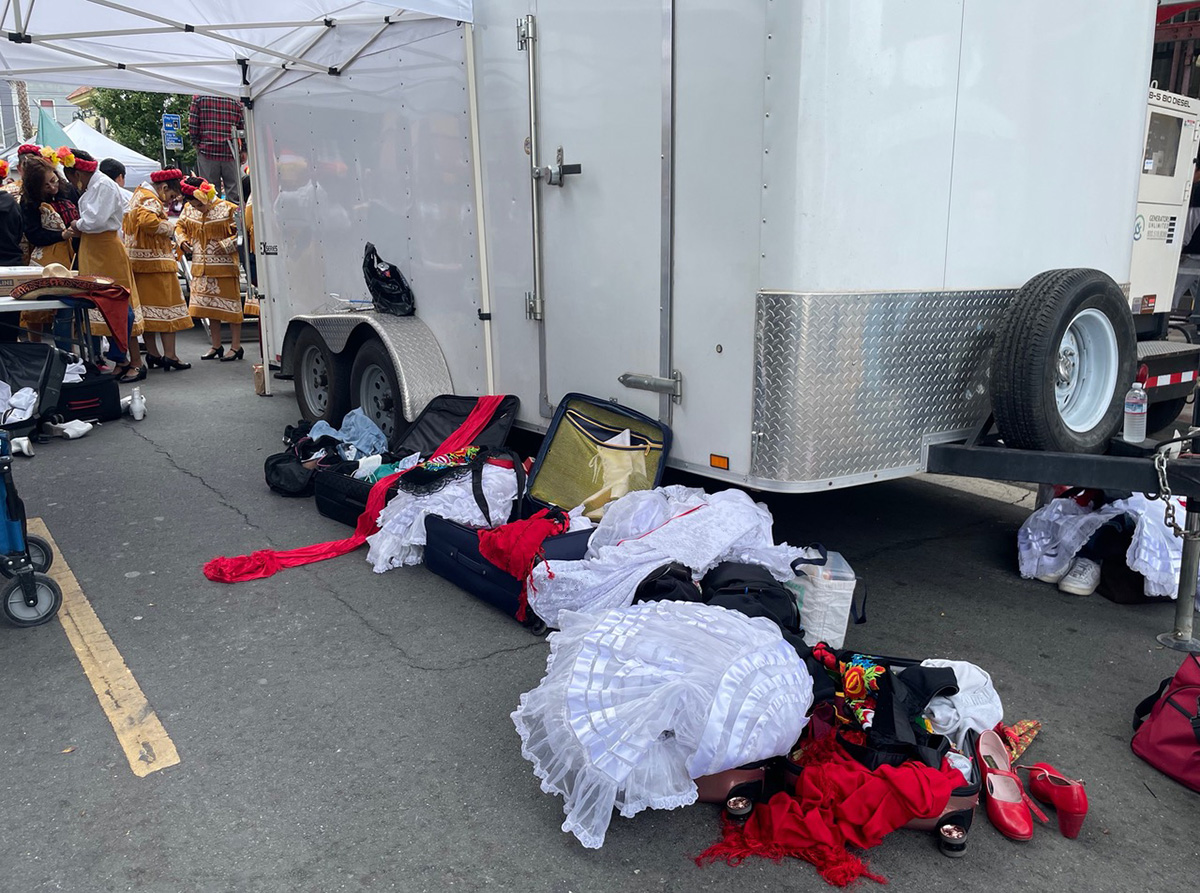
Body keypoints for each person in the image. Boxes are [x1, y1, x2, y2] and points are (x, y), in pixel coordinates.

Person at [62, 148, 146, 382]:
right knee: (103, 306)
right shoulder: (94, 186)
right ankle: (121, 359)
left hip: (106, 249)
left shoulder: (104, 186)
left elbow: (95, 221)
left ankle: (136, 362)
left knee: (118, 304)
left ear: (76, 173)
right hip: (93, 248)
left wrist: (76, 224)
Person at [124, 168, 192, 371]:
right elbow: (148, 222)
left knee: (147, 311)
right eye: (171, 195)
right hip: (156, 263)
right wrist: (170, 227)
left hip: (138, 262)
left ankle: (153, 353)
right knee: (168, 310)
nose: (171, 201)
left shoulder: (138, 194)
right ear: (163, 188)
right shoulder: (151, 200)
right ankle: (170, 355)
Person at [176, 176, 243, 361]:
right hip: (201, 266)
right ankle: (216, 345)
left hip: (224, 267)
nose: (197, 209)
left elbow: (243, 232)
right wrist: (182, 241)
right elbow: (179, 227)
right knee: (210, 308)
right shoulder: (189, 208)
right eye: (195, 206)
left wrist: (228, 244)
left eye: (200, 205)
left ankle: (236, 346)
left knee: (231, 308)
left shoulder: (229, 208)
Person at [18, 159, 77, 341]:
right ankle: (35, 349)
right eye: (46, 185)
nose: (53, 187)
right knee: (37, 307)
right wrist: (61, 235)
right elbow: (34, 235)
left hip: (71, 255)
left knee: (68, 306)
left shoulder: (67, 191)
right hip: (43, 258)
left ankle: (70, 351)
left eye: (54, 180)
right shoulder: (29, 202)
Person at [188, 94, 243, 202]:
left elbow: (193, 125)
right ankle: (235, 217)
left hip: (207, 150)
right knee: (234, 193)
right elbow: (242, 127)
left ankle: (215, 217)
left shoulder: (199, 98)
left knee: (210, 194)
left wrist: (196, 143)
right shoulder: (234, 99)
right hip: (230, 151)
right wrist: (244, 149)